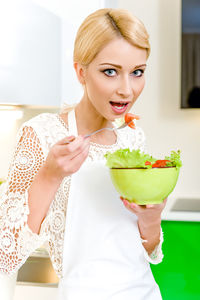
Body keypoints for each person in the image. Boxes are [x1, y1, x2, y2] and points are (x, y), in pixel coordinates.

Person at [0, 8, 166, 299]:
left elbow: (148, 251)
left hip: (145, 292)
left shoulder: (132, 136)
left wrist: (152, 219)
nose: (127, 90)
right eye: (110, 72)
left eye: (137, 72)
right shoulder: (42, 134)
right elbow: (6, 254)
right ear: (81, 71)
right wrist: (50, 175)